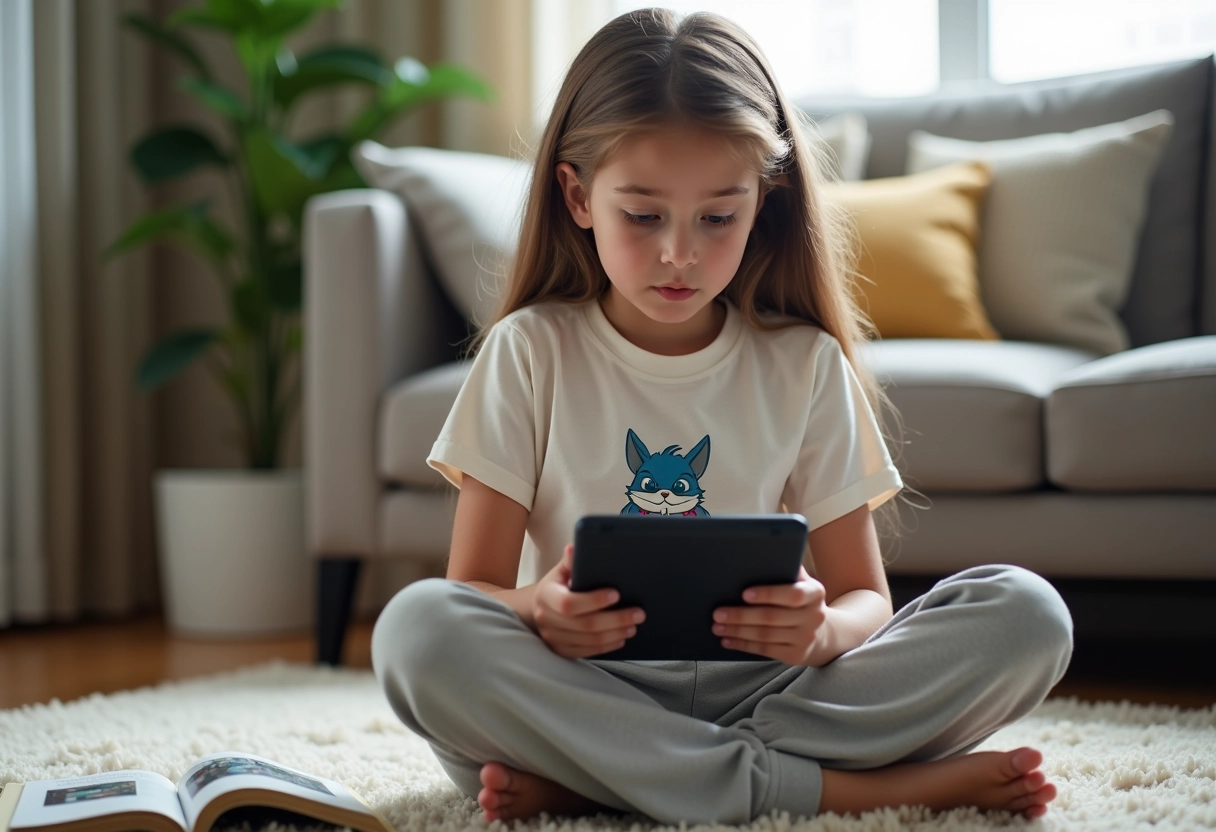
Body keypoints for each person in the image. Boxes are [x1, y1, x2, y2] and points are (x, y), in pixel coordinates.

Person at [371, 7, 1073, 826]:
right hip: (586, 690)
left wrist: (820, 633)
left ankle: (612, 784)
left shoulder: (804, 362)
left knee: (1028, 614)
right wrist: (538, 610)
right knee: (416, 630)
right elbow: (473, 591)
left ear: (763, 203)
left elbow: (864, 600)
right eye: (643, 216)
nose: (680, 253)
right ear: (578, 196)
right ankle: (838, 789)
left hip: (764, 692)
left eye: (718, 217)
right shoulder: (529, 351)